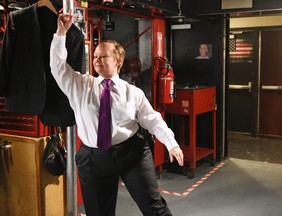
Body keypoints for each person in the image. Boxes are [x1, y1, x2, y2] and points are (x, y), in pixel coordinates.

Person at [50, 12, 184, 216]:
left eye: (103, 56)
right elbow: (58, 67)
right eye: (95, 56)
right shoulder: (80, 85)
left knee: (154, 208)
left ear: (118, 60)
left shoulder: (133, 93)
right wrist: (61, 33)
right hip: (93, 158)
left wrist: (171, 143)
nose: (97, 60)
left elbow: (152, 119)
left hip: (131, 153)